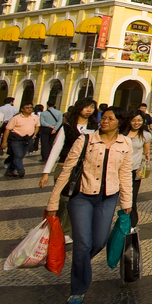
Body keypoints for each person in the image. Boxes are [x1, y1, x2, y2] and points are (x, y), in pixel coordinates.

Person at [44, 106, 132, 304]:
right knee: (82, 243)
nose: (104, 121)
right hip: (82, 196)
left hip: (108, 197)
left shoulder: (125, 143)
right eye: (103, 118)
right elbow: (66, 170)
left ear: (119, 122)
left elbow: (125, 174)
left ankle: (80, 262)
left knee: (99, 242)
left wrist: (127, 202)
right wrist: (53, 200)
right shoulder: (85, 140)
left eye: (110, 118)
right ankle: (78, 287)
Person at [40, 98, 97, 242]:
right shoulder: (67, 128)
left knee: (78, 201)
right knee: (63, 200)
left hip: (85, 169)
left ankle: (69, 230)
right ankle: (57, 228)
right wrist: (46, 172)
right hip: (64, 167)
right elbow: (56, 150)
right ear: (79, 108)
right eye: (86, 107)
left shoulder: (95, 128)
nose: (89, 110)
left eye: (92, 107)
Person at [0, 102, 40, 178]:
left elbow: (37, 126)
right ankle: (21, 170)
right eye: (27, 107)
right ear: (22, 109)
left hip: (28, 139)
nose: (29, 109)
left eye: (31, 107)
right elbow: (7, 129)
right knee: (18, 155)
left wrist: (34, 135)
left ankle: (10, 170)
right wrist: (4, 142)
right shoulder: (15, 118)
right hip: (16, 139)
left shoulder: (35, 117)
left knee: (20, 156)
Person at [126, 111, 151, 227]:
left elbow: (146, 150)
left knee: (132, 197)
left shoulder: (145, 135)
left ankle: (132, 223)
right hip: (120, 169)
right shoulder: (121, 134)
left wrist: (147, 155)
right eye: (134, 120)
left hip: (135, 169)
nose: (136, 123)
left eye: (139, 120)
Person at [38, 99, 64, 164]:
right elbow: (60, 122)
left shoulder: (43, 113)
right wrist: (55, 128)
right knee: (52, 143)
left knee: (44, 143)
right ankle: (50, 156)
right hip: (55, 129)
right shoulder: (59, 112)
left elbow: (42, 122)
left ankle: (44, 157)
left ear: (47, 105)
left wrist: (49, 126)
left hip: (46, 129)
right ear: (54, 105)